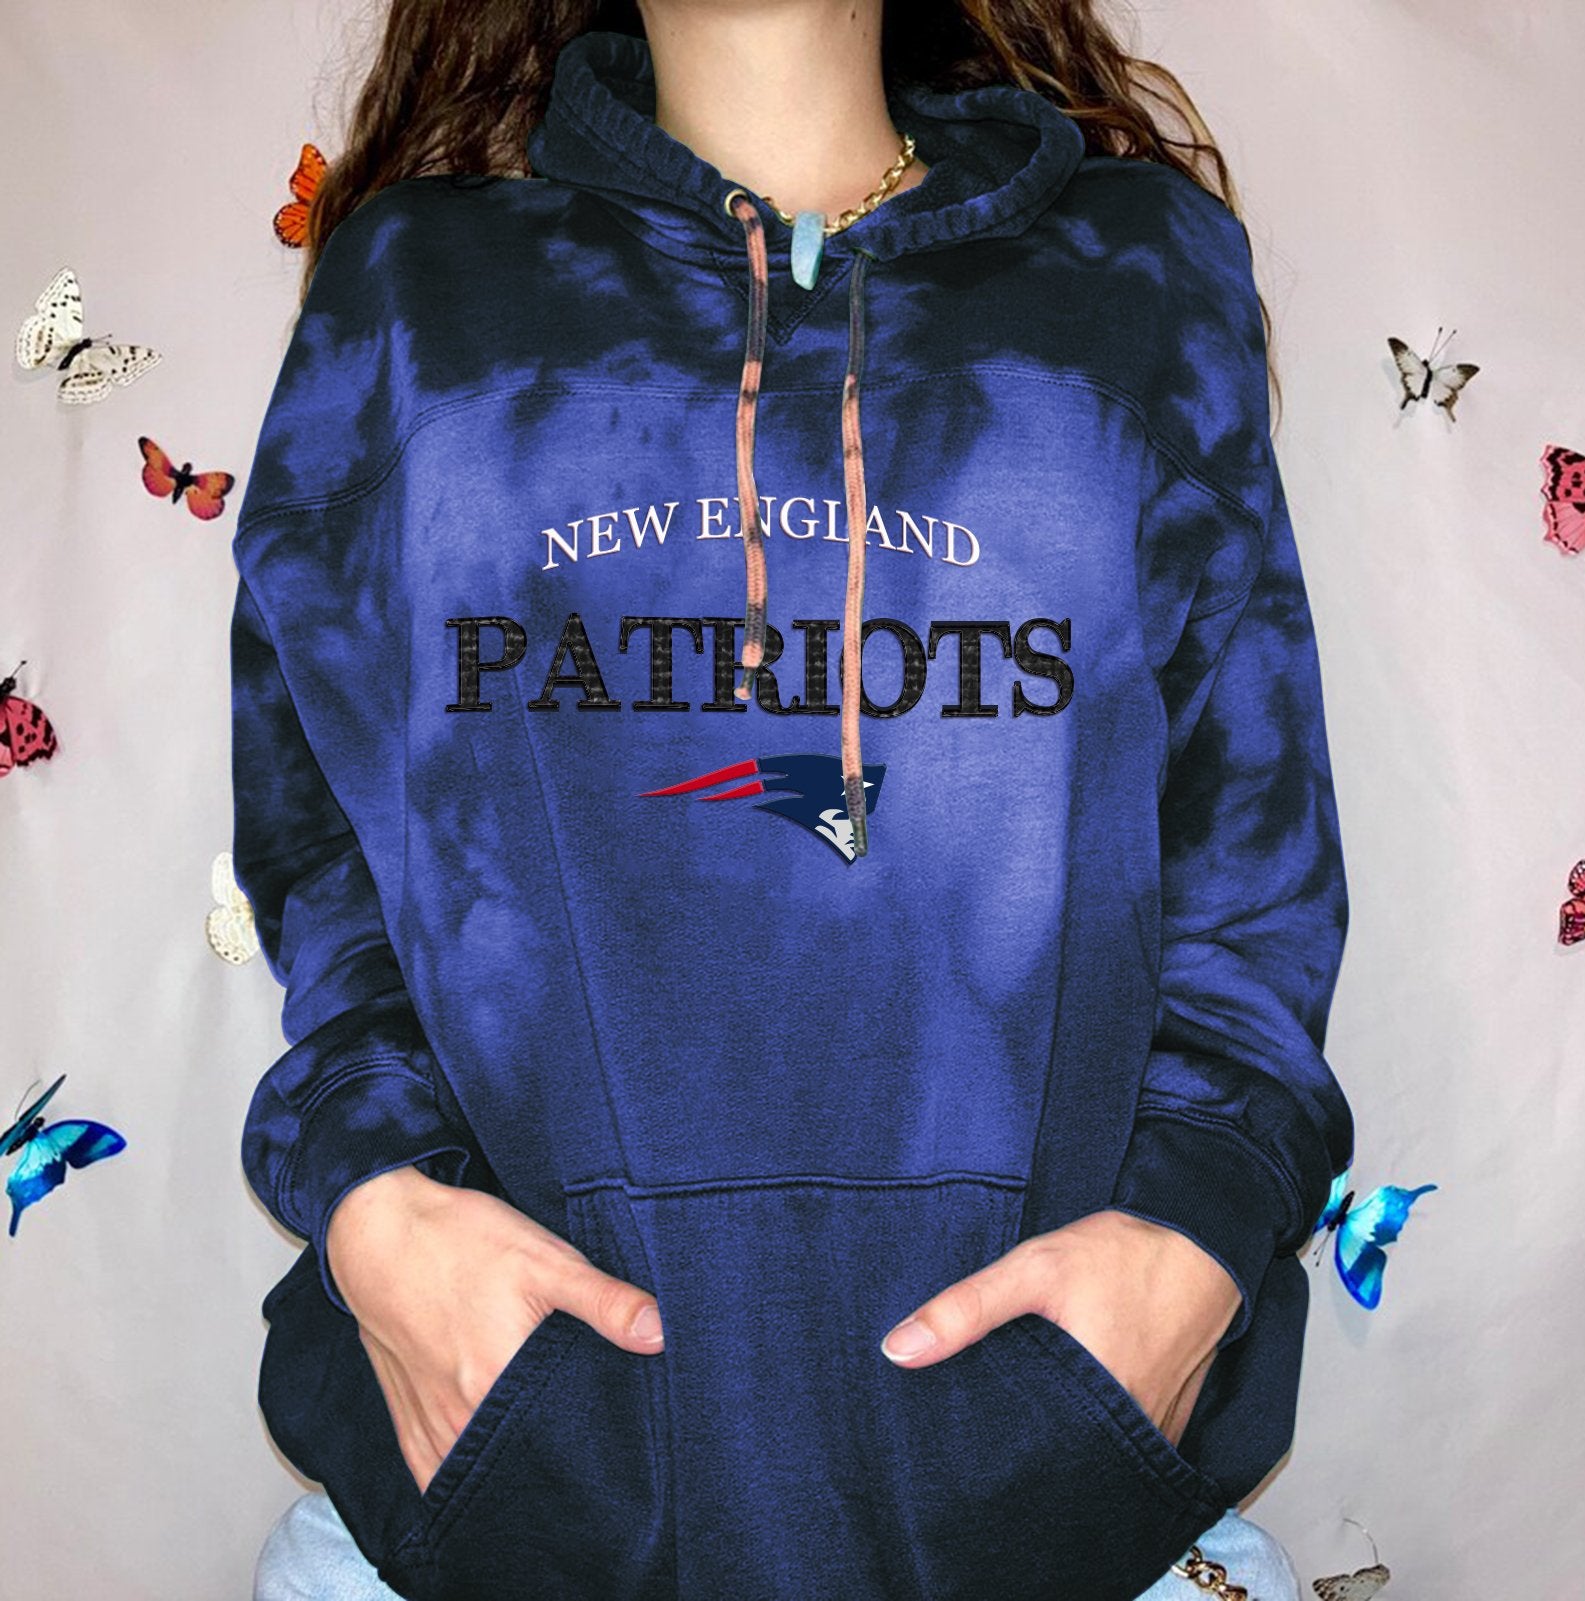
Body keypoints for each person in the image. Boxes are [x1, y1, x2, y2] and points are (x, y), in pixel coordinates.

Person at [233, 2, 1352, 1598]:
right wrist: (376, 1201)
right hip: (510, 1488)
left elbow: (1247, 861)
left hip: (1054, 1489)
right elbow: (323, 844)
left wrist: (1190, 1236)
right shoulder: (415, 288)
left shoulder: (1139, 271)